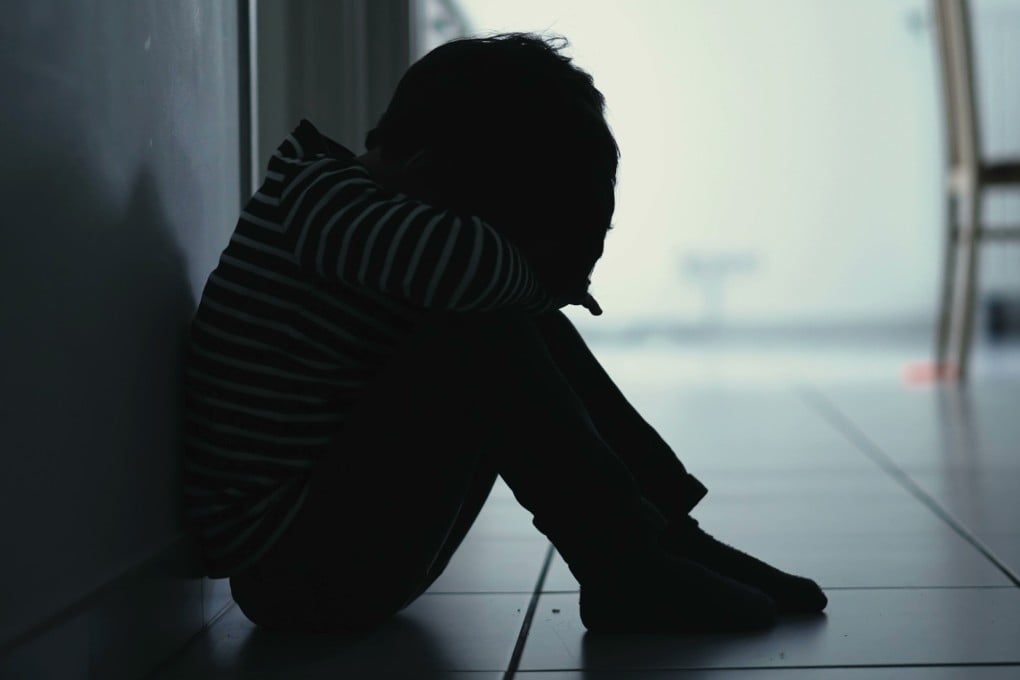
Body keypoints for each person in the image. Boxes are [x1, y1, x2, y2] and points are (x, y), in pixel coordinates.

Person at [182, 33, 826, 635]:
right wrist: (552, 282)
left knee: (506, 314)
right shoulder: (317, 199)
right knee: (483, 324)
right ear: (428, 173)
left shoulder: (373, 213)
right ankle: (626, 563)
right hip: (292, 572)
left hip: (345, 547)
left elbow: (474, 268)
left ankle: (660, 539)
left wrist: (541, 286)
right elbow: (468, 267)